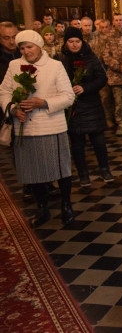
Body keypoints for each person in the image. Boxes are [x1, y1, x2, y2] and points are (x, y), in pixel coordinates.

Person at [0, 30, 75, 227]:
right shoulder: (14, 65)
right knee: (33, 172)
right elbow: (4, 91)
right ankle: (42, 208)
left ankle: (66, 205)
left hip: (50, 126)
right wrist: (13, 109)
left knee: (60, 169)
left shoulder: (55, 66)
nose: (26, 51)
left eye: (29, 47)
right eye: (22, 48)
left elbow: (68, 96)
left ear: (39, 46)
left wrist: (43, 102)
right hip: (25, 126)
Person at [59, 27, 114, 186]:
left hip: (91, 104)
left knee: (99, 141)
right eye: (71, 41)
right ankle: (83, 173)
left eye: (77, 41)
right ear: (66, 43)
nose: (74, 44)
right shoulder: (60, 59)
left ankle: (105, 169)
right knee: (77, 143)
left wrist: (85, 88)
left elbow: (102, 78)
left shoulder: (90, 57)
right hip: (72, 106)